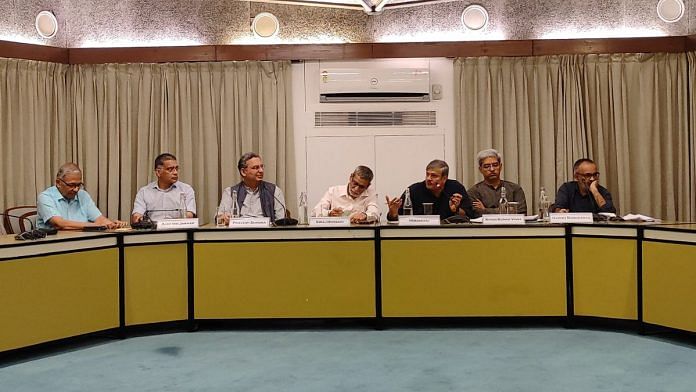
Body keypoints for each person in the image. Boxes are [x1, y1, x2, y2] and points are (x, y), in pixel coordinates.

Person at [37, 162, 127, 230]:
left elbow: (100, 219)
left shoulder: (83, 195)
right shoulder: (45, 197)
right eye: (71, 185)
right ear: (58, 183)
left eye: (79, 185)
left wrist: (112, 224)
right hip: (55, 246)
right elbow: (61, 223)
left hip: (84, 243)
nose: (76, 189)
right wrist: (97, 225)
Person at [385, 159, 478, 221]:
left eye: (434, 176)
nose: (429, 178)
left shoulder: (455, 188)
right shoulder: (413, 190)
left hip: (449, 234)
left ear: (444, 178)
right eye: (427, 174)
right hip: (420, 234)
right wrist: (393, 212)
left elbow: (469, 215)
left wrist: (456, 210)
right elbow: (395, 219)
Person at [217, 152, 286, 223]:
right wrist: (224, 217)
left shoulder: (274, 191)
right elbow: (219, 218)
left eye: (262, 166)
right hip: (238, 232)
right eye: (255, 168)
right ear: (243, 172)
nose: (261, 170)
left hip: (265, 232)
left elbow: (280, 221)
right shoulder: (230, 192)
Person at [131, 153, 196, 223]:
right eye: (170, 169)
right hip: (152, 232)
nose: (175, 172)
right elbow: (137, 215)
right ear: (158, 172)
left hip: (178, 231)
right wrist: (138, 218)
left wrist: (168, 224)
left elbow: (189, 215)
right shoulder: (144, 192)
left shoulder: (186, 189)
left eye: (176, 168)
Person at [467, 149, 527, 215]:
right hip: (486, 225)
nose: (492, 169)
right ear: (480, 169)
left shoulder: (515, 189)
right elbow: (475, 214)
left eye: (495, 165)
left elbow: (521, 212)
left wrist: (485, 210)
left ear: (500, 167)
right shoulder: (473, 191)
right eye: (487, 166)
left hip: (510, 225)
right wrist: (508, 210)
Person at [312, 165, 380, 224]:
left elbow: (375, 212)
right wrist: (329, 213)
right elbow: (315, 212)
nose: (356, 189)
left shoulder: (371, 194)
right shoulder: (333, 191)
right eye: (355, 183)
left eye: (361, 187)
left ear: (367, 186)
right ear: (351, 177)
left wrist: (365, 215)